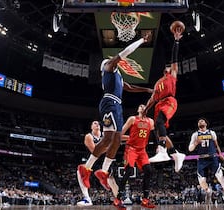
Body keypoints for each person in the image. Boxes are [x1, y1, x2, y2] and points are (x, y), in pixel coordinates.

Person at [78, 34, 153, 191]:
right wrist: (142, 40)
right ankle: (86, 168)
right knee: (108, 139)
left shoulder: (117, 76)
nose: (114, 60)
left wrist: (147, 89)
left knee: (117, 140)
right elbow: (125, 53)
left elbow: (130, 87)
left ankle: (103, 172)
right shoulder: (108, 68)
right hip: (109, 103)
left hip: (117, 106)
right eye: (112, 60)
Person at [143, 27, 185, 173]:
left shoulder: (172, 75)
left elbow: (174, 58)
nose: (170, 67)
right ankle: (176, 154)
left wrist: (176, 41)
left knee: (160, 122)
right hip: (158, 105)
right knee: (159, 132)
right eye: (167, 67)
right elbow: (152, 98)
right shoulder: (157, 83)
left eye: (171, 66)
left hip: (170, 101)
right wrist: (145, 110)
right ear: (163, 70)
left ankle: (161, 150)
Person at [113, 104, 155, 209]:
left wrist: (159, 146)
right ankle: (118, 199)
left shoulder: (150, 121)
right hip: (131, 148)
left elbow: (154, 135)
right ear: (138, 109)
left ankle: (145, 199)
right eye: (140, 106)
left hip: (142, 150)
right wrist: (126, 138)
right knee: (128, 171)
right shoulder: (132, 119)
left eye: (144, 106)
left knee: (149, 171)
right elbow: (120, 133)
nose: (142, 107)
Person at [76, 121, 119, 206]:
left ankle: (118, 199)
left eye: (98, 123)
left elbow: (118, 137)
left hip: (103, 161)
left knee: (111, 180)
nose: (97, 124)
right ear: (91, 127)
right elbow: (95, 151)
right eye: (95, 123)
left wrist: (130, 138)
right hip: (92, 162)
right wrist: (109, 146)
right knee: (79, 172)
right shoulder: (89, 136)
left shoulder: (105, 135)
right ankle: (87, 199)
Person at [188, 118, 224, 202]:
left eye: (202, 121)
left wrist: (220, 153)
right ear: (198, 125)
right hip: (202, 159)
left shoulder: (212, 132)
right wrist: (196, 143)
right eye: (199, 121)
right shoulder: (195, 135)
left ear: (206, 124)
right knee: (201, 181)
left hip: (212, 157)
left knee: (220, 176)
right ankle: (208, 191)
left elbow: (216, 144)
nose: (200, 121)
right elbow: (190, 149)